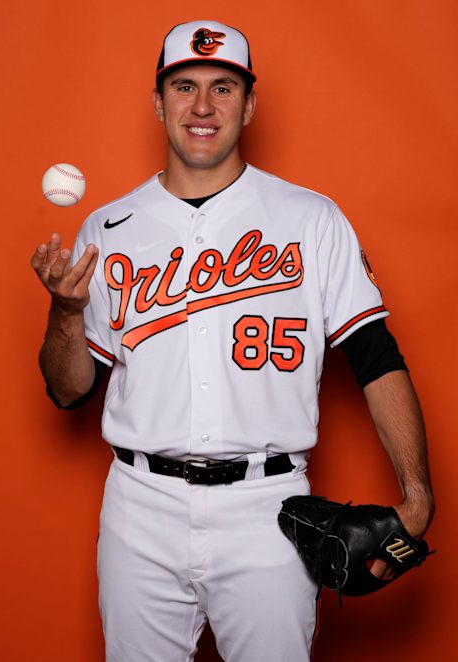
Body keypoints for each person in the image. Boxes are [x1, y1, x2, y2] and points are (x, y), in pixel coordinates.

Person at [31, 20, 434, 662]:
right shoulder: (106, 227)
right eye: (183, 86)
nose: (201, 107)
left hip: (268, 509)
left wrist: (418, 499)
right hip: (140, 508)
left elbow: (375, 357)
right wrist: (64, 312)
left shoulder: (310, 218)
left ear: (249, 104)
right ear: (158, 101)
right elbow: (66, 392)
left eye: (223, 88)